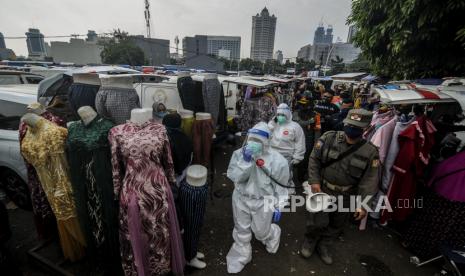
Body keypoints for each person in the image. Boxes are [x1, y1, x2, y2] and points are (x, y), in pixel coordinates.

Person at [301, 109, 380, 265]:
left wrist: (364, 205)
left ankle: (324, 245)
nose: (352, 129)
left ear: (365, 128)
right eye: (349, 125)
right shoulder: (329, 138)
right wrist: (314, 181)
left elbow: (370, 180)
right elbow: (314, 159)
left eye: (356, 126)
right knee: (316, 221)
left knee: (336, 224)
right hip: (323, 190)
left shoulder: (370, 151)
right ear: (345, 123)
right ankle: (310, 241)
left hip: (346, 195)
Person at [226, 122, 290, 273]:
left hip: (264, 200)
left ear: (267, 142)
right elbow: (234, 176)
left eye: (259, 141)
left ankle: (273, 233)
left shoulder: (278, 161)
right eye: (252, 140)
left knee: (261, 231)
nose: (254, 144)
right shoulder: (239, 154)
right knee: (241, 229)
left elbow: (281, 186)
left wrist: (279, 206)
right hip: (241, 198)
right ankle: (241, 255)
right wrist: (245, 161)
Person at [268, 103, 306, 193]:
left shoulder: (295, 126)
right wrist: (272, 124)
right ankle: (273, 189)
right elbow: (266, 135)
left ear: (288, 114)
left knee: (286, 174)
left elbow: (300, 142)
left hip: (287, 156)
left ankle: (286, 189)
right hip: (272, 154)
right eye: (278, 115)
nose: (280, 117)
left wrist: (298, 156)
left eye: (282, 115)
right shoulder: (273, 124)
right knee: (272, 173)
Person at [293, 100, 321, 182]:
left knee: (306, 159)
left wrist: (316, 144)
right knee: (297, 158)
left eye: (304, 105)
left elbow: (318, 130)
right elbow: (297, 123)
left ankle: (303, 176)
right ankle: (298, 176)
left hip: (308, 139)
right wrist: (309, 121)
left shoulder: (316, 115)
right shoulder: (296, 113)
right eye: (301, 104)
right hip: (296, 139)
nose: (302, 107)